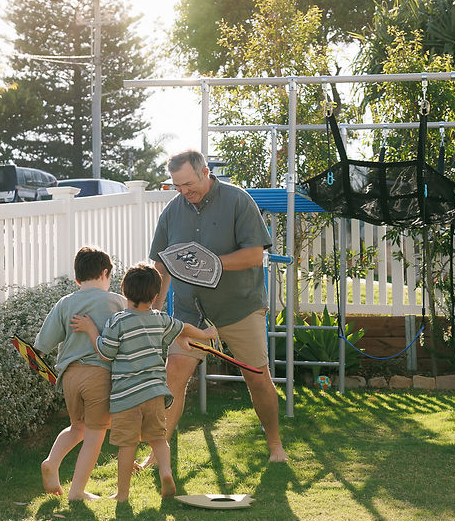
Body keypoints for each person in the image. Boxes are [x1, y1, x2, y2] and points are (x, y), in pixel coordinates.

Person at [147, 149, 288, 464]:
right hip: (190, 313)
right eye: (177, 186)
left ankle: (275, 446)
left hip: (239, 308)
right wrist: (153, 313)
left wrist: (208, 264)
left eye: (188, 183)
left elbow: (253, 256)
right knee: (173, 379)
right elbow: (162, 267)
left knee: (256, 377)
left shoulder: (238, 201)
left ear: (205, 171)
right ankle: (157, 455)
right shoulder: (171, 213)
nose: (184, 191)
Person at [71, 262, 218, 502]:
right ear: (156, 295)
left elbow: (105, 352)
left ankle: (122, 494)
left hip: (126, 397)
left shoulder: (117, 321)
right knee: (158, 438)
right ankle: (166, 472)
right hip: (155, 393)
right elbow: (185, 329)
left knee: (127, 445)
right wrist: (207, 335)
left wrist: (90, 330)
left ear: (124, 291)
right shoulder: (160, 319)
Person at [34, 246, 125, 500]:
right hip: (99, 374)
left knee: (77, 427)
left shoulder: (65, 303)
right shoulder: (117, 301)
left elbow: (42, 344)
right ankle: (77, 491)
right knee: (96, 433)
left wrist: (38, 360)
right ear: (105, 273)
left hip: (70, 376)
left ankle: (52, 461)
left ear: (76, 279)